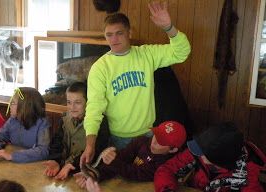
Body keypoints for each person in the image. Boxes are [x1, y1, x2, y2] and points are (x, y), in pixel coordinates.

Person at [81, 1, 191, 166]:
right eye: (109, 35)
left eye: (119, 33)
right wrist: (90, 145)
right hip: (119, 139)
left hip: (149, 136)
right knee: (121, 182)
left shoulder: (146, 54)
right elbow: (94, 109)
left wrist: (169, 28)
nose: (114, 39)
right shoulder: (100, 68)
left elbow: (181, 52)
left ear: (129, 32)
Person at [154, 122, 265, 192]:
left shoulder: (248, 177)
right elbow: (167, 169)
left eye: (202, 153)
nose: (195, 153)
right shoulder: (201, 149)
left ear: (218, 160)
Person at [75, 121, 187, 188]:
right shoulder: (142, 141)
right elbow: (122, 157)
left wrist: (114, 162)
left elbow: (136, 174)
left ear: (172, 150)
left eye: (161, 141)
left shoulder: (165, 166)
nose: (155, 141)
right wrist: (95, 174)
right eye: (156, 135)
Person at [44, 82, 109, 180]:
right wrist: (55, 160)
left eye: (77, 103)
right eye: (69, 102)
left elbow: (97, 151)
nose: (72, 107)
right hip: (63, 170)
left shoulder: (100, 123)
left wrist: (72, 165)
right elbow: (57, 143)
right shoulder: (64, 119)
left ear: (88, 103)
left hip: (86, 173)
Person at [0, 87, 50, 163]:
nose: (9, 106)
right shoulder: (12, 120)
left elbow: (43, 151)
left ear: (25, 107)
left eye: (12, 103)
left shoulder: (42, 123)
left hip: (33, 166)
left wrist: (12, 156)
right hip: (15, 165)